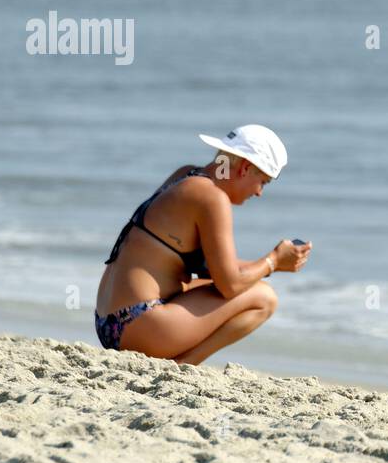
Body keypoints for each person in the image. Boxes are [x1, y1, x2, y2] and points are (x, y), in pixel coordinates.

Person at [93, 125, 311, 364]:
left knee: (247, 284)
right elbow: (230, 285)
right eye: (263, 182)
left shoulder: (186, 176)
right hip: (138, 325)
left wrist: (275, 264)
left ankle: (176, 361)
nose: (259, 193)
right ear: (246, 168)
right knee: (264, 297)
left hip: (109, 322)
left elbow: (217, 269)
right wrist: (272, 261)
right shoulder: (212, 198)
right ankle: (184, 366)